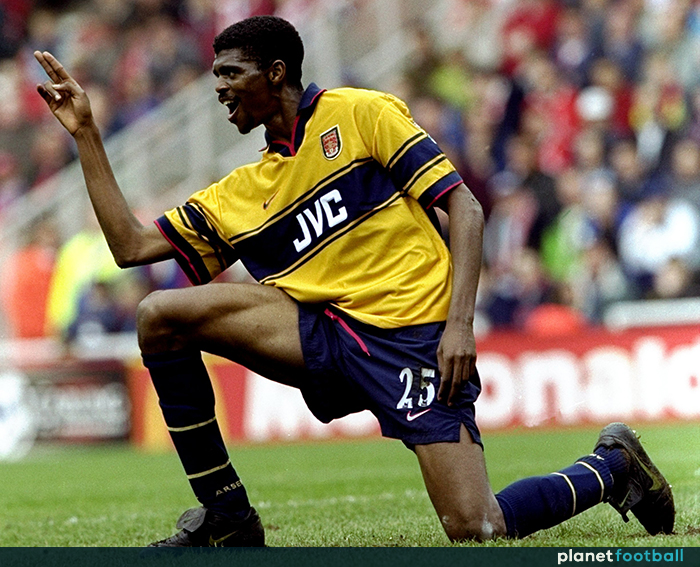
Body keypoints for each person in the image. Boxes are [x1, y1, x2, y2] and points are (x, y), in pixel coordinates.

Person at [34, 15, 674, 547]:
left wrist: (459, 325)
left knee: (476, 526)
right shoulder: (240, 192)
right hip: (325, 337)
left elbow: (466, 208)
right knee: (159, 315)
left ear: (275, 73)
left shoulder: (361, 114)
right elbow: (130, 247)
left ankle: (612, 468)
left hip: (415, 339)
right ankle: (227, 515)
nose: (220, 89)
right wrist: (86, 133)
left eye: (230, 74)